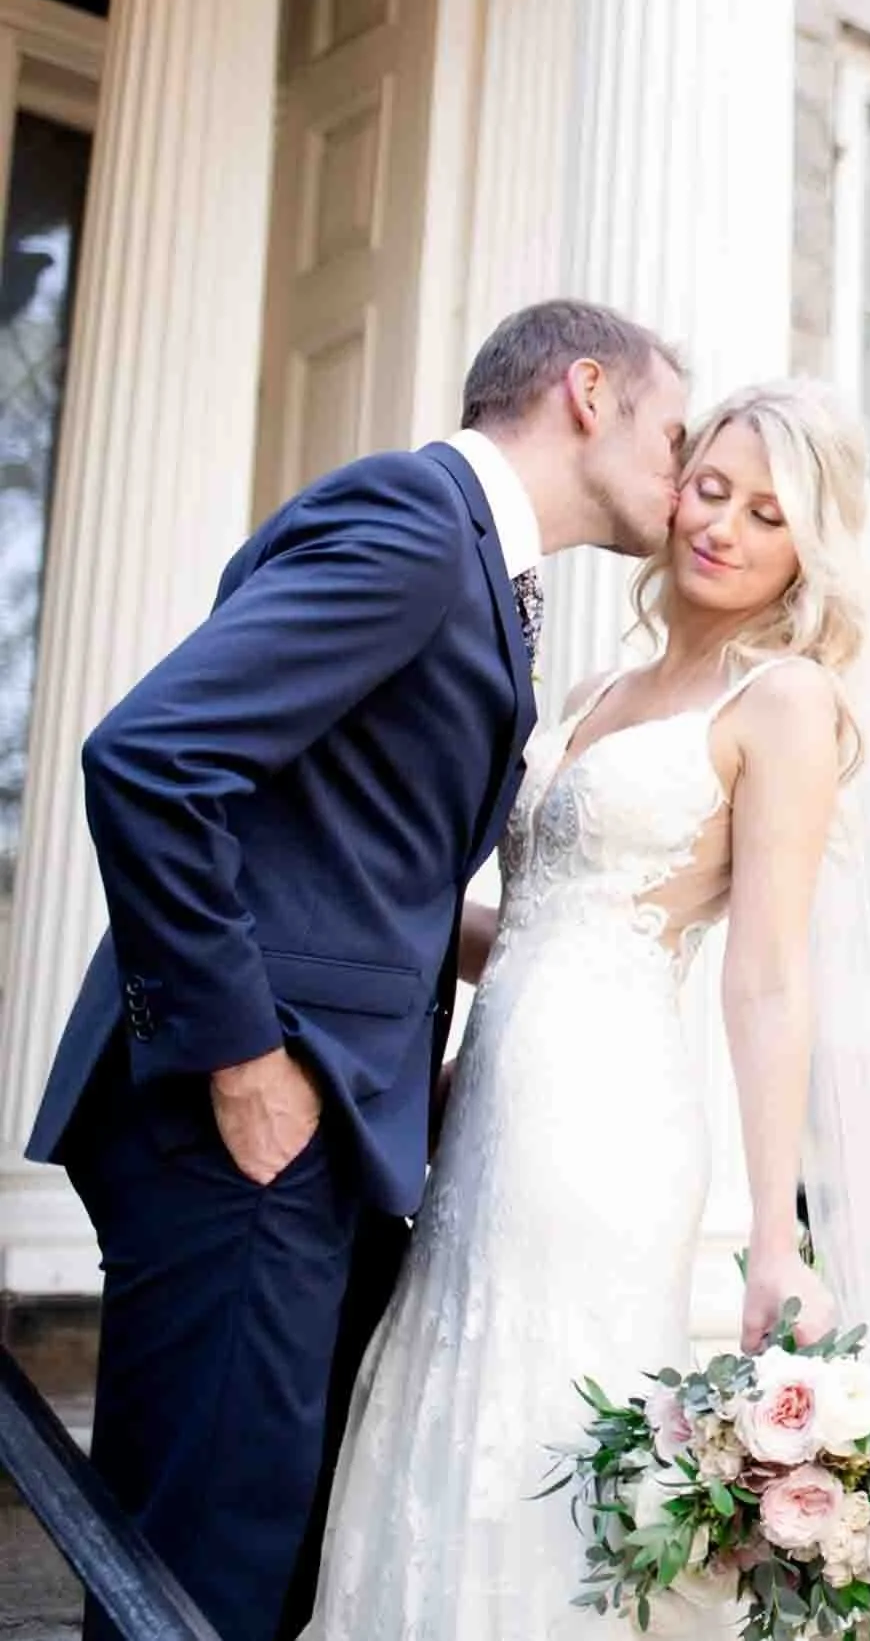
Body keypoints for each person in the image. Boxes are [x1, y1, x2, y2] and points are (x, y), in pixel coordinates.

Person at [302, 379, 870, 1638]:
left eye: (766, 512)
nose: (720, 525)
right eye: (709, 488)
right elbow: (547, 917)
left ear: (808, 546)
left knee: (538, 1399)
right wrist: (332, 898)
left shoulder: (783, 702)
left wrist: (775, 1237)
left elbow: (768, 973)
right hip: (491, 1084)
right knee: (444, 1380)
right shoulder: (600, 688)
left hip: (603, 1116)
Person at [19, 299, 688, 1641]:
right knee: (201, 1571)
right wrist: (242, 1057)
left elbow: (338, 850)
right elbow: (147, 760)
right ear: (588, 390)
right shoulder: (415, 522)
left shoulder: (475, 566)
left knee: (247, 1557)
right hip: (249, 1123)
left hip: (326, 1132)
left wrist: (577, 943)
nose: (685, 483)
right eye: (676, 439)